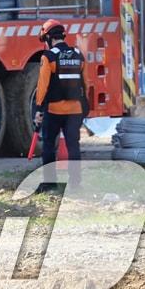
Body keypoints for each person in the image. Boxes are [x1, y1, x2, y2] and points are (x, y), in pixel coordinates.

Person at [34, 19, 87, 192]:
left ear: (49, 38)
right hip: (75, 110)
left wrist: (39, 109)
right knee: (74, 146)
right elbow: (84, 83)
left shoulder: (48, 57)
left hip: (54, 110)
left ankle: (50, 184)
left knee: (49, 146)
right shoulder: (78, 55)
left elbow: (42, 86)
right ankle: (76, 184)